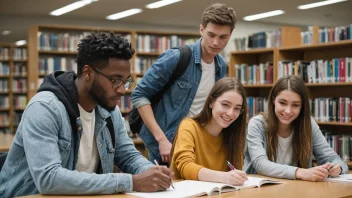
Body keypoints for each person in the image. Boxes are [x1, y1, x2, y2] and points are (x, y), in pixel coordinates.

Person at [0, 32, 173, 198]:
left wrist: (152, 173)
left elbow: (128, 155)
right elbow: (48, 178)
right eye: (115, 80)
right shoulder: (45, 108)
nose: (122, 90)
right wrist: (130, 182)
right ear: (88, 73)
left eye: (126, 81)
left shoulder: (109, 112)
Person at [131, 3, 237, 165]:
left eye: (223, 37)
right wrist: (162, 139)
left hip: (196, 143)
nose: (216, 42)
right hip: (166, 144)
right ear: (201, 30)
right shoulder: (176, 57)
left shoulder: (220, 65)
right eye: (211, 35)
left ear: (230, 35)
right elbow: (139, 95)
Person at [243, 75, 348, 181]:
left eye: (295, 105)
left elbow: (333, 159)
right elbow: (261, 164)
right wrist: (301, 172)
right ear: (273, 100)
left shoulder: (309, 124)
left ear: (302, 106)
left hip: (297, 190)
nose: (288, 111)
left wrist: (337, 168)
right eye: (282, 103)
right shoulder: (257, 124)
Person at [170, 77, 248, 185]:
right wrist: (224, 177)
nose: (230, 113)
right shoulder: (188, 126)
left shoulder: (234, 134)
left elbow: (236, 169)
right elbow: (186, 167)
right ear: (211, 102)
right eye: (225, 105)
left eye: (237, 108)